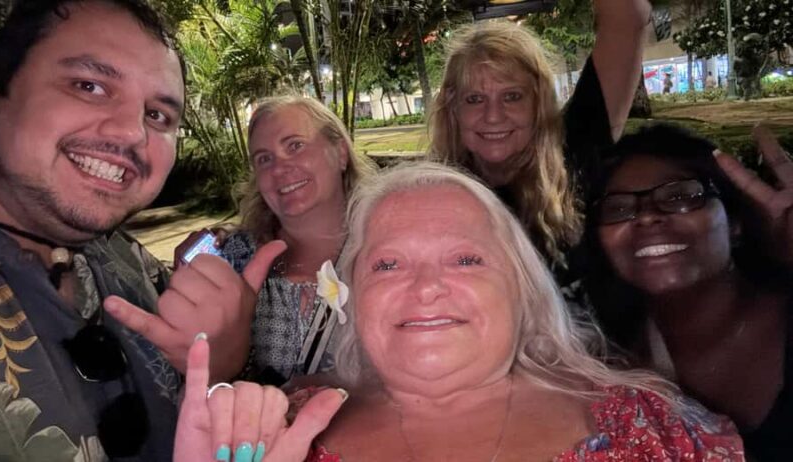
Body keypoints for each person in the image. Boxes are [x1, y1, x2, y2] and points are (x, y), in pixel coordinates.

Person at [174, 162, 744, 462]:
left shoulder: (657, 425)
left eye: (467, 259)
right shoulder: (276, 430)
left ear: (521, 286)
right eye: (388, 265)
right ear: (353, 295)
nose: (425, 289)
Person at [0, 0, 261, 459]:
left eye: (158, 115)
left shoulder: (126, 260)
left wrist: (220, 364)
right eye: (90, 86)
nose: (134, 133)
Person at [585, 123, 792, 460]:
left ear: (735, 222)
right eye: (619, 208)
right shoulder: (609, 371)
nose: (647, 217)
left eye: (680, 197)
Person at [427, 2, 651, 309]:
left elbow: (627, 16)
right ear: (453, 108)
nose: (493, 116)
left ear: (538, 100)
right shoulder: (433, 198)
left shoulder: (577, 144)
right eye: (475, 98)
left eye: (512, 96)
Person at [174, 95, 377, 385]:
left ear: (341, 152)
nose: (279, 169)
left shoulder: (388, 248)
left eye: (295, 146)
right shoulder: (231, 260)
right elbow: (194, 380)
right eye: (264, 159)